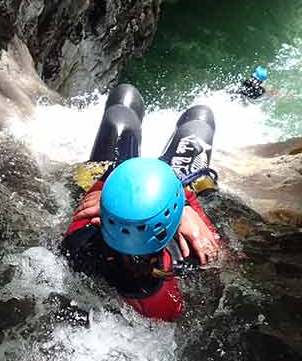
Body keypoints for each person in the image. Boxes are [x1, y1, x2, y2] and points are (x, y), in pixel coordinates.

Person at [60, 84, 221, 322]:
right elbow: (218, 256)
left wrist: (105, 196)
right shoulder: (187, 260)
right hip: (158, 195)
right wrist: (186, 207)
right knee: (200, 119)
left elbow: (101, 195)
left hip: (128, 188)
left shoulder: (78, 246)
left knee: (122, 105)